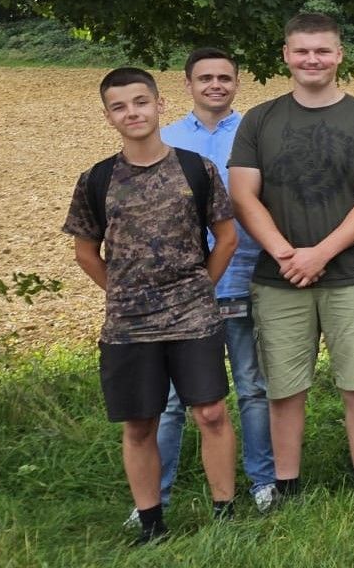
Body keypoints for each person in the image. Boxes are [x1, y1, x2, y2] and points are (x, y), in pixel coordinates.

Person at [229, 12, 354, 500]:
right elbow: (242, 195)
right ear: (286, 55)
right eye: (302, 51)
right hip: (279, 277)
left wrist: (319, 254)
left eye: (322, 50)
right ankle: (286, 485)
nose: (312, 59)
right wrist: (286, 253)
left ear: (339, 56)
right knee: (284, 387)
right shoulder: (259, 120)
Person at [66, 67, 239, 544]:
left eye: (140, 101)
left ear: (159, 104)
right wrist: (123, 293)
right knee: (140, 424)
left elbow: (226, 238)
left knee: (211, 413)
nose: (132, 113)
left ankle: (225, 513)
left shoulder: (196, 169)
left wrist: (199, 288)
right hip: (128, 325)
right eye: (119, 106)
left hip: (194, 318)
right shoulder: (97, 179)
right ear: (108, 116)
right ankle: (151, 523)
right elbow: (85, 252)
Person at [146, 48, 276, 519]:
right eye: (205, 78)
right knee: (171, 401)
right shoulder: (166, 139)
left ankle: (264, 482)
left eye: (224, 77)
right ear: (188, 84)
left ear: (237, 83)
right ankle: (155, 495)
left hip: (247, 277)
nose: (215, 85)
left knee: (253, 388)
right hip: (182, 293)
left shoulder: (256, 134)